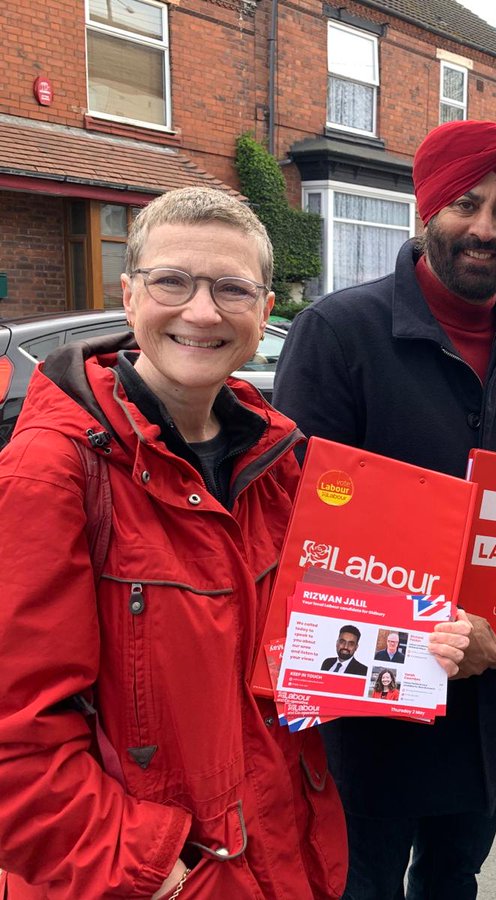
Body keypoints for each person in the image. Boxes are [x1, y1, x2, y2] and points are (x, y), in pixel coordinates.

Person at [0, 187, 444, 899]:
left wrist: (415, 644)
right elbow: (15, 744)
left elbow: (313, 653)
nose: (201, 312)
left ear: (265, 311)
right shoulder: (50, 470)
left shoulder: (281, 464)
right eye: (173, 281)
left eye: (231, 288)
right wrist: (154, 874)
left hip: (285, 860)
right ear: (130, 293)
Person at [273, 119, 496, 900]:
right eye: (465, 204)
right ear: (427, 211)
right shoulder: (339, 333)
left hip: (486, 710)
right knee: (364, 886)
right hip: (371, 711)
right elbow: (302, 537)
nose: (484, 228)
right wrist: (435, 626)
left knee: (454, 879)